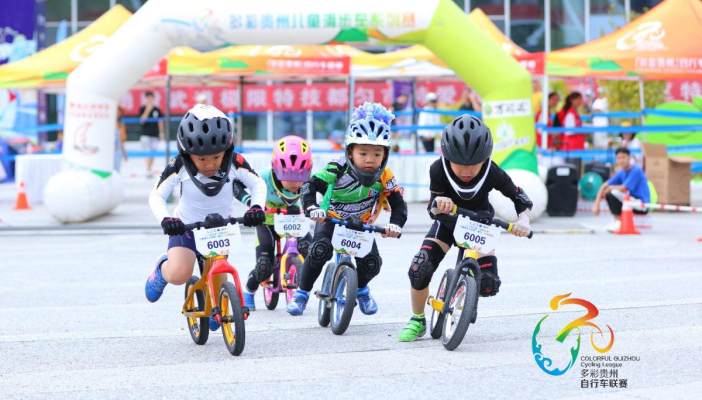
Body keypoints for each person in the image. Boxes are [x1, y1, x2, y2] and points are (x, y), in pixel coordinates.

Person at [398, 114, 533, 342]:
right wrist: (439, 203)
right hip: (447, 223)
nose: (466, 171)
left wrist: (524, 220)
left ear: (485, 158)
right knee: (419, 268)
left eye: (473, 164)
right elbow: (432, 208)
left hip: (481, 226)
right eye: (460, 164)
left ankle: (465, 294)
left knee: (488, 284)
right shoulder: (438, 169)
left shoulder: (492, 171)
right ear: (447, 156)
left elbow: (520, 197)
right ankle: (417, 319)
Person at [144, 104, 267, 331]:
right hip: (186, 227)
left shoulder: (235, 162)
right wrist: (166, 220)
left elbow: (258, 183)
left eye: (216, 157)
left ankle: (216, 302)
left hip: (220, 228)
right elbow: (157, 195)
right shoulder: (179, 165)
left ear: (226, 150)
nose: (210, 164)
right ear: (187, 153)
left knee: (217, 282)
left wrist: (256, 207)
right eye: (201, 159)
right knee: (180, 273)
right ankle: (162, 269)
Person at [286, 102, 408, 316]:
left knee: (372, 264)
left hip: (362, 225)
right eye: (363, 153)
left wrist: (395, 224)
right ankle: (301, 294)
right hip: (331, 220)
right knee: (319, 251)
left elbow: (398, 204)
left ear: (385, 154)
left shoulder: (385, 176)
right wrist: (312, 207)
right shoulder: (337, 167)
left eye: (377, 154)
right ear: (350, 152)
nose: (370, 160)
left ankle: (361, 289)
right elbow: (309, 186)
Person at [239, 135, 314, 311]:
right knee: (264, 264)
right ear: (276, 171)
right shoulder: (263, 178)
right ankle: (249, 290)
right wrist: (252, 203)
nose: (295, 184)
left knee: (310, 248)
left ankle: (298, 281)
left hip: (292, 219)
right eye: (290, 178)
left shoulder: (309, 181)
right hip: (266, 221)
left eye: (300, 178)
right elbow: (236, 184)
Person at [592, 147, 649, 232]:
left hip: (641, 204)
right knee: (609, 192)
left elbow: (624, 188)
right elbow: (603, 186)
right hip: (630, 203)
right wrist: (596, 204)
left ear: (629, 158)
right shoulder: (621, 172)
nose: (621, 160)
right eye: (618, 158)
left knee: (612, 192)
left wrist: (609, 188)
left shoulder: (636, 170)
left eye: (623, 157)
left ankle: (619, 222)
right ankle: (617, 221)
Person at [139, 91, 164, 178]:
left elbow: (160, 122)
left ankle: (149, 169)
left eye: (151, 98)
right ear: (146, 99)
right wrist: (147, 110)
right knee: (147, 153)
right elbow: (142, 121)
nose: (150, 100)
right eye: (148, 98)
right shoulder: (142, 108)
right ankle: (148, 170)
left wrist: (161, 133)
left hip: (155, 135)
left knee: (153, 153)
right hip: (145, 134)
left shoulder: (157, 109)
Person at [114, 106, 128, 172]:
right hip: (108, 150)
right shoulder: (107, 124)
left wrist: (124, 152)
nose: (118, 113)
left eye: (119, 112)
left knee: (116, 170)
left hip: (117, 150)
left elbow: (122, 140)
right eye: (117, 112)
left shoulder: (121, 124)